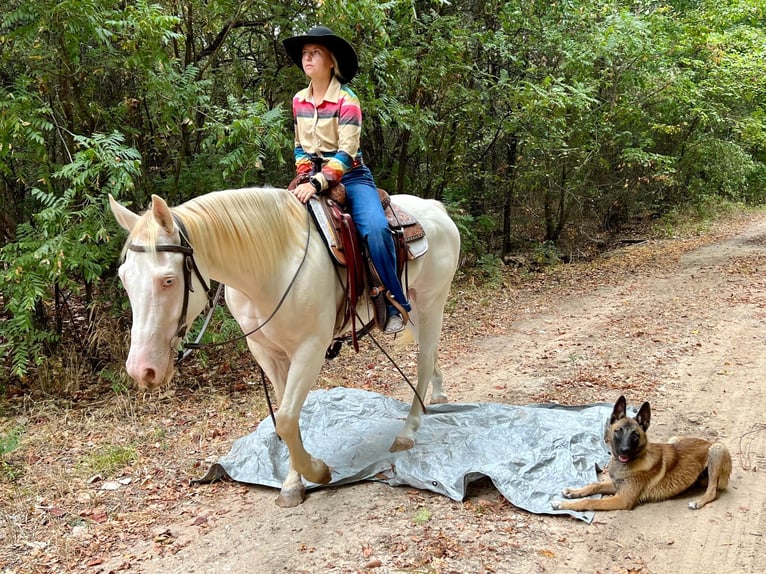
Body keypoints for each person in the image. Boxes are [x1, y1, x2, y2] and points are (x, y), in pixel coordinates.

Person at [283, 26, 410, 334]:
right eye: (304, 53)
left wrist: (316, 184)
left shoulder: (347, 100)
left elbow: (345, 153)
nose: (307, 58)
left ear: (331, 61)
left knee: (376, 230)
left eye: (315, 53)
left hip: (350, 175)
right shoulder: (299, 100)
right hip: (309, 176)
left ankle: (393, 301)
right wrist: (304, 176)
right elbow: (299, 145)